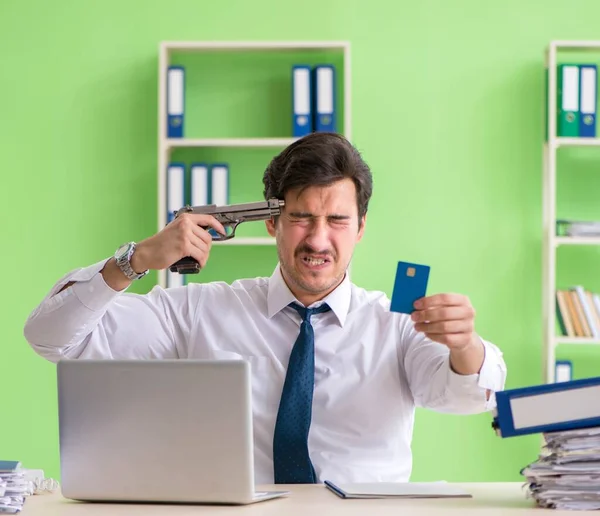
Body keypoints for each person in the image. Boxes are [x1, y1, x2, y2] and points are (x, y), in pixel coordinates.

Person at [24, 132, 507, 485]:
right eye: (301, 218)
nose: (318, 239)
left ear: (360, 228)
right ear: (272, 224)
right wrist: (136, 260)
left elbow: (467, 396)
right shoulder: (197, 313)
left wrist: (464, 345)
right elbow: (52, 338)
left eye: (337, 220)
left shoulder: (398, 323)